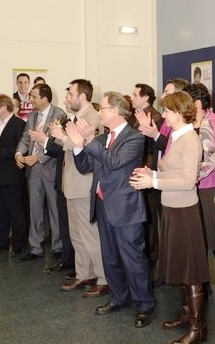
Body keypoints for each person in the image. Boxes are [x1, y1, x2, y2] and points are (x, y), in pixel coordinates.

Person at [65, 91, 155, 328]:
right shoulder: (104, 138)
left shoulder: (134, 138)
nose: (99, 113)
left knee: (133, 259)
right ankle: (119, 298)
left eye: (102, 109)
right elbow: (86, 166)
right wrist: (77, 146)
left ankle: (145, 304)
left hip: (126, 209)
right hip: (103, 204)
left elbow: (114, 162)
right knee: (111, 258)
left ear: (116, 111)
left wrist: (89, 138)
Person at [130, 91, 210, 344]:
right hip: (173, 209)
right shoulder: (176, 137)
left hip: (185, 211)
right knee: (181, 267)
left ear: (178, 113)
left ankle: (198, 329)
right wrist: (152, 172)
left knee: (191, 271)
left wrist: (153, 179)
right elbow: (171, 171)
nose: (163, 115)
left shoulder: (190, 140)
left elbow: (187, 182)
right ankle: (186, 314)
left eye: (167, 111)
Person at [44, 79, 108, 297]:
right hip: (71, 184)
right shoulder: (77, 118)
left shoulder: (94, 118)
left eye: (70, 94)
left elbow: (91, 147)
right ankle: (84, 274)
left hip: (84, 183)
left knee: (90, 235)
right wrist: (59, 137)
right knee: (77, 235)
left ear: (82, 96)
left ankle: (102, 278)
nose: (67, 98)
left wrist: (63, 138)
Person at [184, 83, 215, 308]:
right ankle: (203, 286)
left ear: (196, 103)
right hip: (187, 188)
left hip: (211, 187)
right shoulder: (184, 124)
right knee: (196, 241)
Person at [15, 83, 67, 262]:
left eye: (34, 96)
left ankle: (58, 246)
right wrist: (19, 153)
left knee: (54, 210)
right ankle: (35, 247)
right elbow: (25, 138)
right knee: (35, 210)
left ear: (45, 99)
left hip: (50, 168)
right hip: (33, 171)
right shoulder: (32, 116)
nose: (31, 100)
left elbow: (57, 143)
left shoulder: (59, 114)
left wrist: (38, 158)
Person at [0, 94, 27, 256]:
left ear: (4, 107)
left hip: (12, 175)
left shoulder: (19, 125)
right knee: (0, 212)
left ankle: (18, 244)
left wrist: (0, 151)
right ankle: (0, 243)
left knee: (16, 212)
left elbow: (22, 149)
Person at [130, 83, 164, 281]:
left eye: (135, 95)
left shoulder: (154, 117)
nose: (132, 97)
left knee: (151, 221)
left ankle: (153, 260)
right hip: (141, 171)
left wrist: (147, 172)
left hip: (148, 172)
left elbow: (153, 149)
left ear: (146, 98)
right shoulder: (136, 115)